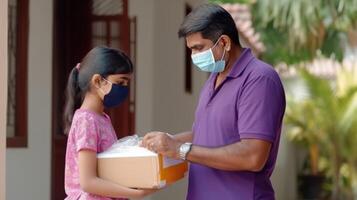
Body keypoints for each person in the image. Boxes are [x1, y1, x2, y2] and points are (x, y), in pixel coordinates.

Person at [141, 4, 286, 200]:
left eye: (198, 48)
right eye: (190, 50)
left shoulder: (259, 79)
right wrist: (164, 142)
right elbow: (203, 135)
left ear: (224, 42)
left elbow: (253, 156)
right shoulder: (214, 79)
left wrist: (180, 149)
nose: (194, 56)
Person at [63, 47, 155, 200]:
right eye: (120, 82)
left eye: (127, 83)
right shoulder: (87, 120)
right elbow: (88, 182)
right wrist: (135, 193)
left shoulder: (101, 118)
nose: (124, 88)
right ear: (97, 81)